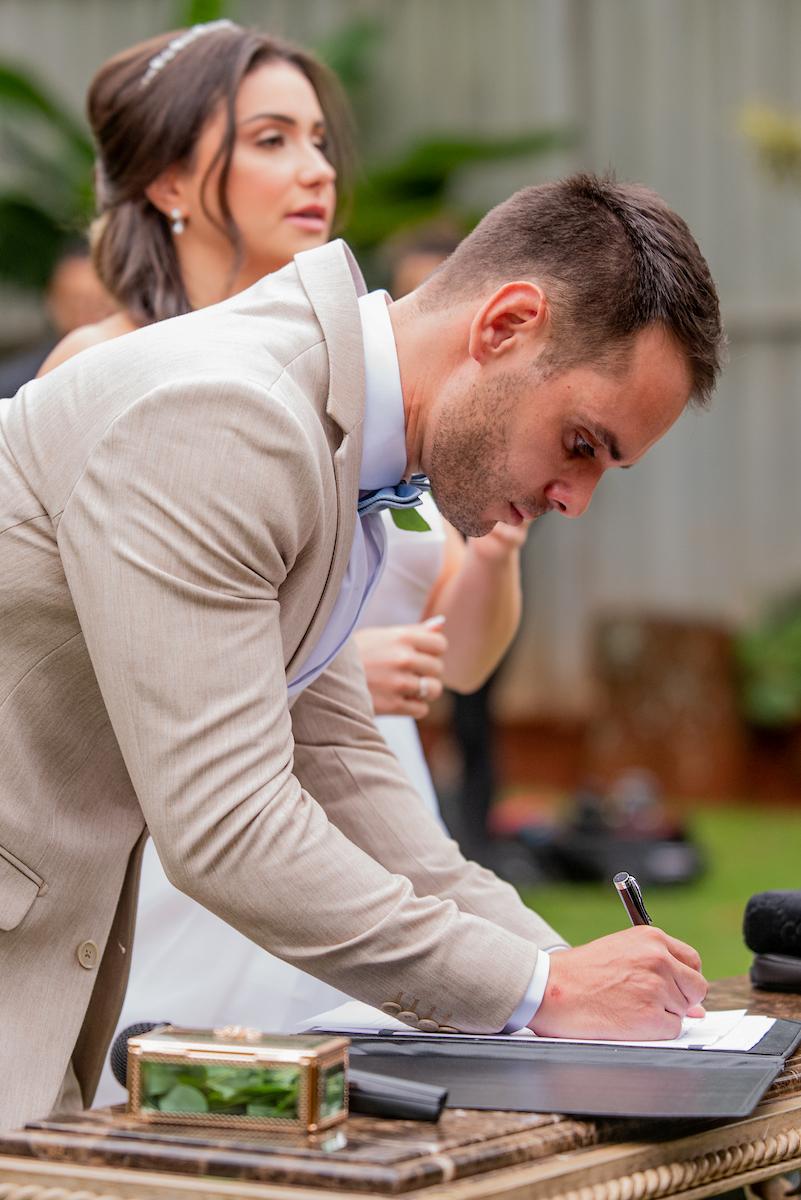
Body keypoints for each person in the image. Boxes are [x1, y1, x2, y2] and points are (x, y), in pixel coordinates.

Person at [0, 144, 721, 1126]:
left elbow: (347, 782)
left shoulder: (345, 449)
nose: (576, 498)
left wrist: (562, 965)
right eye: (581, 443)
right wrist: (543, 993)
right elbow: (231, 829)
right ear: (508, 324)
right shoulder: (231, 416)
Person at [34, 24, 531, 1100]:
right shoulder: (114, 370)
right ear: (171, 178)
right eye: (271, 139)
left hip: (369, 796)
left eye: (318, 138)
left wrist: (492, 551)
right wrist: (334, 659)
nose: (315, 167)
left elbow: (467, 659)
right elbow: (137, 641)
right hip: (213, 797)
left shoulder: (375, 397)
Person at [0, 240, 114, 398]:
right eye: (73, 302)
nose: (82, 316)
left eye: (96, 304)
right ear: (50, 300)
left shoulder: (131, 378)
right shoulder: (12, 385)